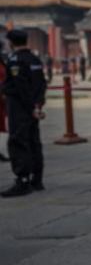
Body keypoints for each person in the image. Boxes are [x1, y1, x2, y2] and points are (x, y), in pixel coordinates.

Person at [1, 30, 46, 198]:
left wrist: (31, 107)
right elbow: (41, 84)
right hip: (32, 107)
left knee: (18, 141)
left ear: (12, 43)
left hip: (20, 108)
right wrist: (38, 105)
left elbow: (21, 88)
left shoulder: (15, 61)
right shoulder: (35, 59)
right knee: (33, 141)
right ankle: (37, 179)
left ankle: (23, 180)